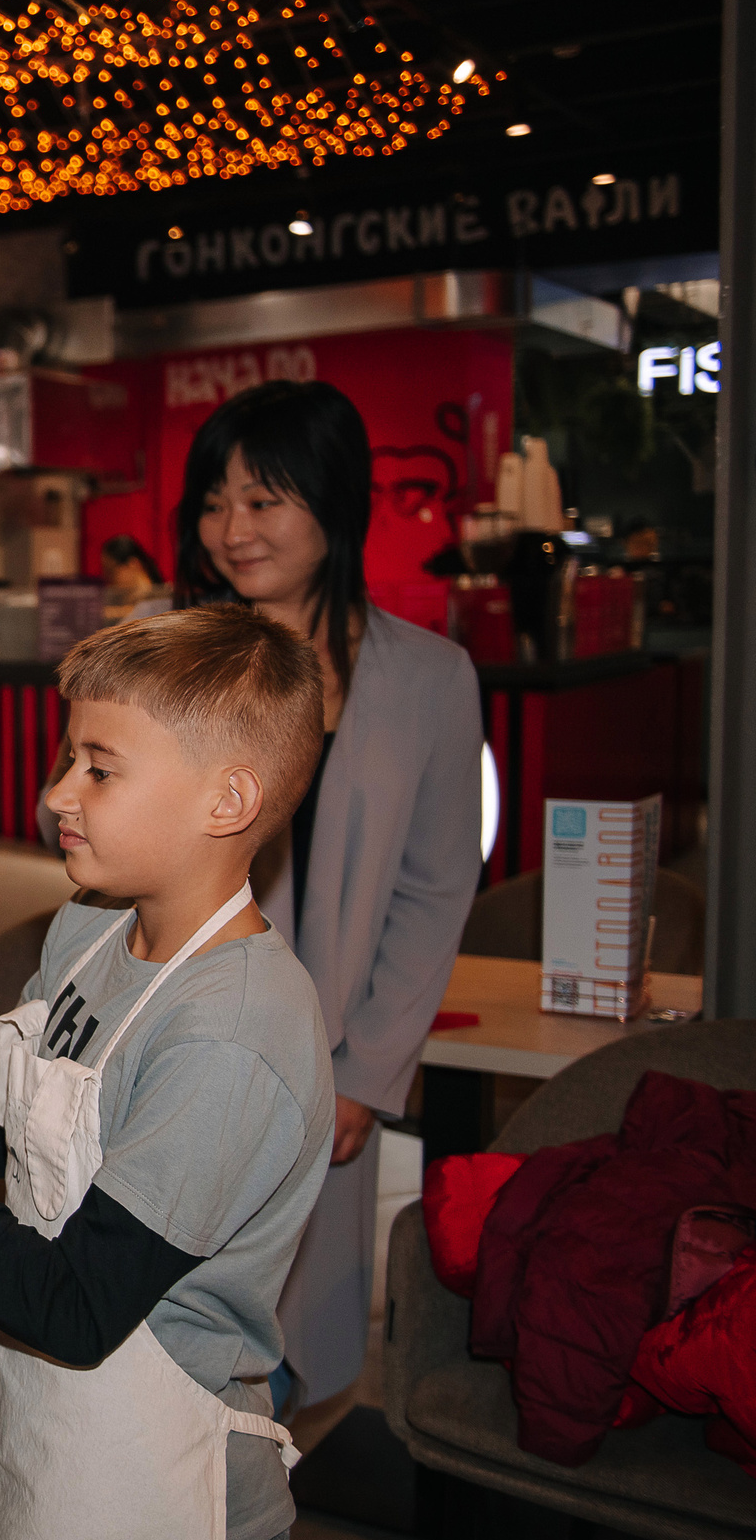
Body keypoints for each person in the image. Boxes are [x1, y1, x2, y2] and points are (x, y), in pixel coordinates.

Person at [0, 605, 335, 1540]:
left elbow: (74, 1307)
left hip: (166, 1493)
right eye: (67, 758)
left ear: (228, 799)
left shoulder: (231, 1040)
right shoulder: (91, 932)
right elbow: (25, 1145)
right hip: (47, 1451)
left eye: (100, 768)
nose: (57, 792)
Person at [169, 380, 483, 1414]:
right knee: (164, 1309)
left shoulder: (429, 678)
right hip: (180, 1034)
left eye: (263, 499)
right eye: (215, 502)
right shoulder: (167, 656)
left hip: (327, 1047)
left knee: (297, 1311)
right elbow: (72, 826)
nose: (232, 529)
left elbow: (436, 888)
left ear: (332, 500)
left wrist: (365, 1073)